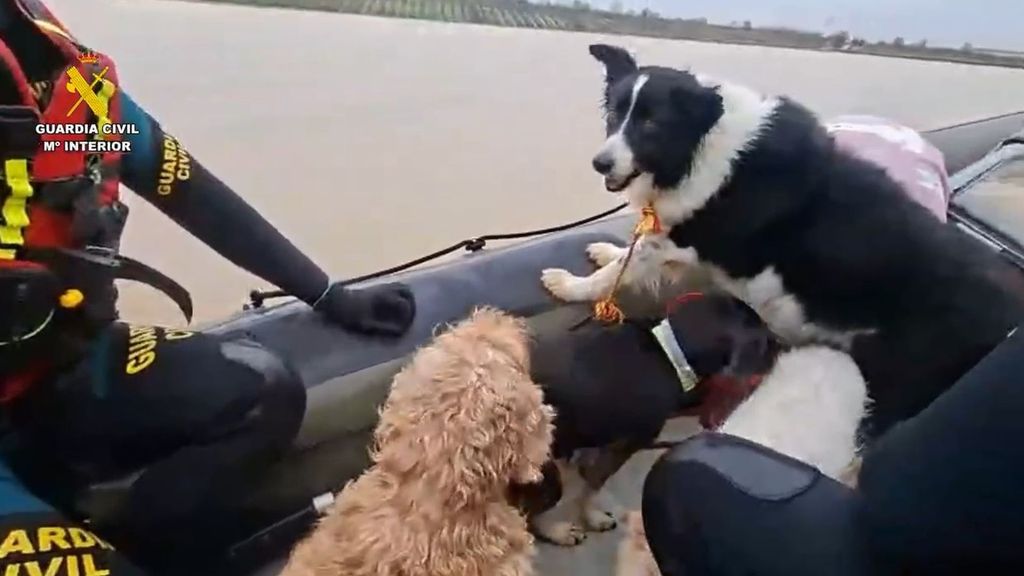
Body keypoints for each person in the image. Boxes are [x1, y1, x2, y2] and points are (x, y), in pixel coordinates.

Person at [0, 0, 416, 572]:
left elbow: (189, 189)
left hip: (65, 372)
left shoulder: (63, 79)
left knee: (263, 390)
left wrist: (328, 294)